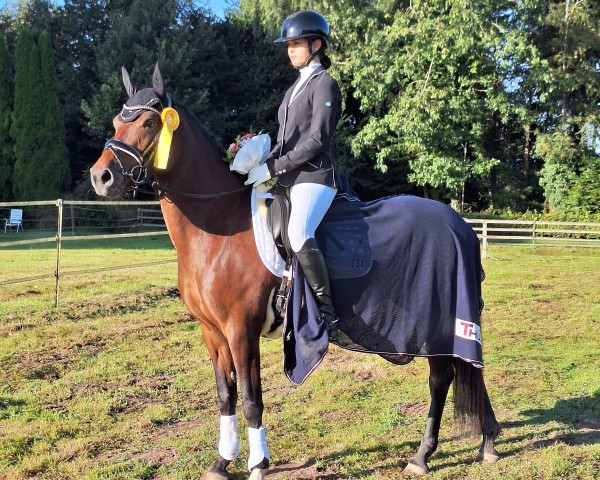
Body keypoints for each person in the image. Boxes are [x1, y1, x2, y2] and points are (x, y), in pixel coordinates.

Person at [244, 10, 343, 335]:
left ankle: (328, 313)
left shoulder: (325, 85)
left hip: (314, 177)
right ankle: (285, 293)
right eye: (288, 44)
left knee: (299, 232)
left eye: (296, 43)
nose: (290, 49)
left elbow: (316, 140)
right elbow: (285, 139)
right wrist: (260, 164)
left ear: (316, 45)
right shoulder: (294, 89)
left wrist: (274, 167)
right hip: (289, 178)